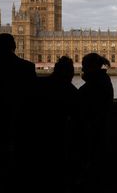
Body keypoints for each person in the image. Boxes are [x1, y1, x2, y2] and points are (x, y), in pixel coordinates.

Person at [0, 33, 36, 192]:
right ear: (14, 46)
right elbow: (33, 94)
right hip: (20, 119)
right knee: (19, 158)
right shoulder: (27, 66)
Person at [35, 56, 79, 192]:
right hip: (61, 138)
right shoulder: (72, 91)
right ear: (71, 73)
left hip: (39, 138)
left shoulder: (40, 85)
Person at [76, 53, 114, 192]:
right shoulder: (103, 79)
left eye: (84, 66)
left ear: (91, 67)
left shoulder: (94, 84)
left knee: (93, 165)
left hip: (94, 132)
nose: (83, 69)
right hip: (101, 129)